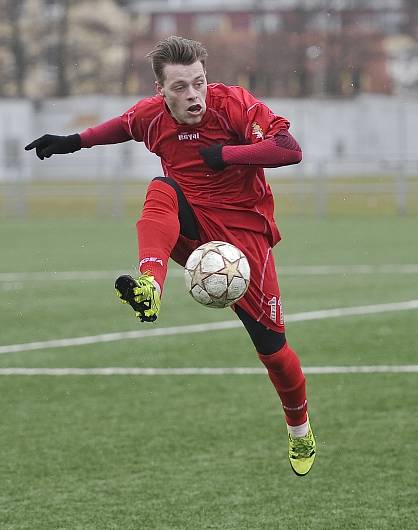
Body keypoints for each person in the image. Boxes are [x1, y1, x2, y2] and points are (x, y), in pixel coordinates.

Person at [25, 36, 316, 477]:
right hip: (190, 230)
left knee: (274, 351)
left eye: (198, 83)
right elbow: (123, 126)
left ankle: (300, 430)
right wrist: (72, 141)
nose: (193, 94)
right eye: (180, 87)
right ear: (161, 90)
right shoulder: (151, 115)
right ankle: (150, 285)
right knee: (161, 188)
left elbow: (288, 149)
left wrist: (228, 154)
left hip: (244, 243)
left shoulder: (234, 104)